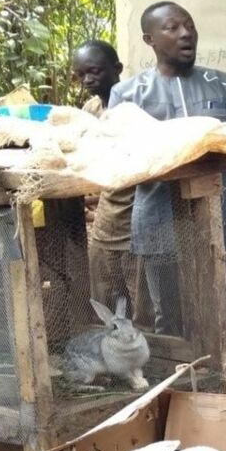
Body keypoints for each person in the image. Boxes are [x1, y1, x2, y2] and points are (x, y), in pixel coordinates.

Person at [109, 2, 226, 335]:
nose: (185, 33)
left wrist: (170, 141)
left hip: (220, 213)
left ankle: (220, 385)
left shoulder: (225, 84)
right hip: (158, 217)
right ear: (149, 39)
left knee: (219, 308)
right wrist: (200, 140)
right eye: (172, 27)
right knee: (170, 317)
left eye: (189, 25)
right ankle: (176, 384)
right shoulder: (128, 93)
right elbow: (122, 152)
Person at [74, 40, 144, 321]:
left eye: (94, 71)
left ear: (117, 69)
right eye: (80, 75)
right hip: (107, 215)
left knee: (140, 302)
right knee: (103, 294)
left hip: (137, 214)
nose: (88, 80)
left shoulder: (134, 107)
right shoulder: (91, 109)